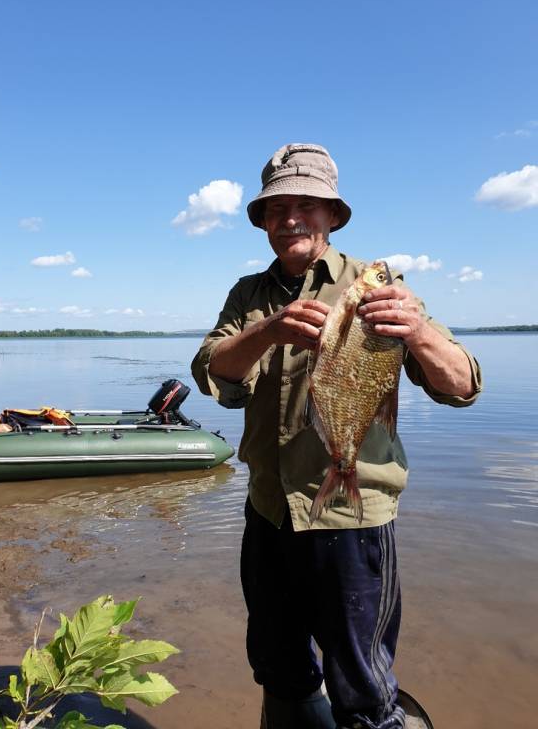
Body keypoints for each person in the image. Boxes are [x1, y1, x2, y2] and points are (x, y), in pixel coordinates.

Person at [191, 143, 482, 729]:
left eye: (306, 205)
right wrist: (268, 331)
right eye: (276, 209)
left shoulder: (378, 285)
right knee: (277, 662)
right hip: (268, 514)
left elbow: (461, 383)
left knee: (361, 678)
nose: (290, 218)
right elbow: (211, 370)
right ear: (264, 223)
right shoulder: (249, 295)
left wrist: (417, 332)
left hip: (352, 520)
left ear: (332, 216)